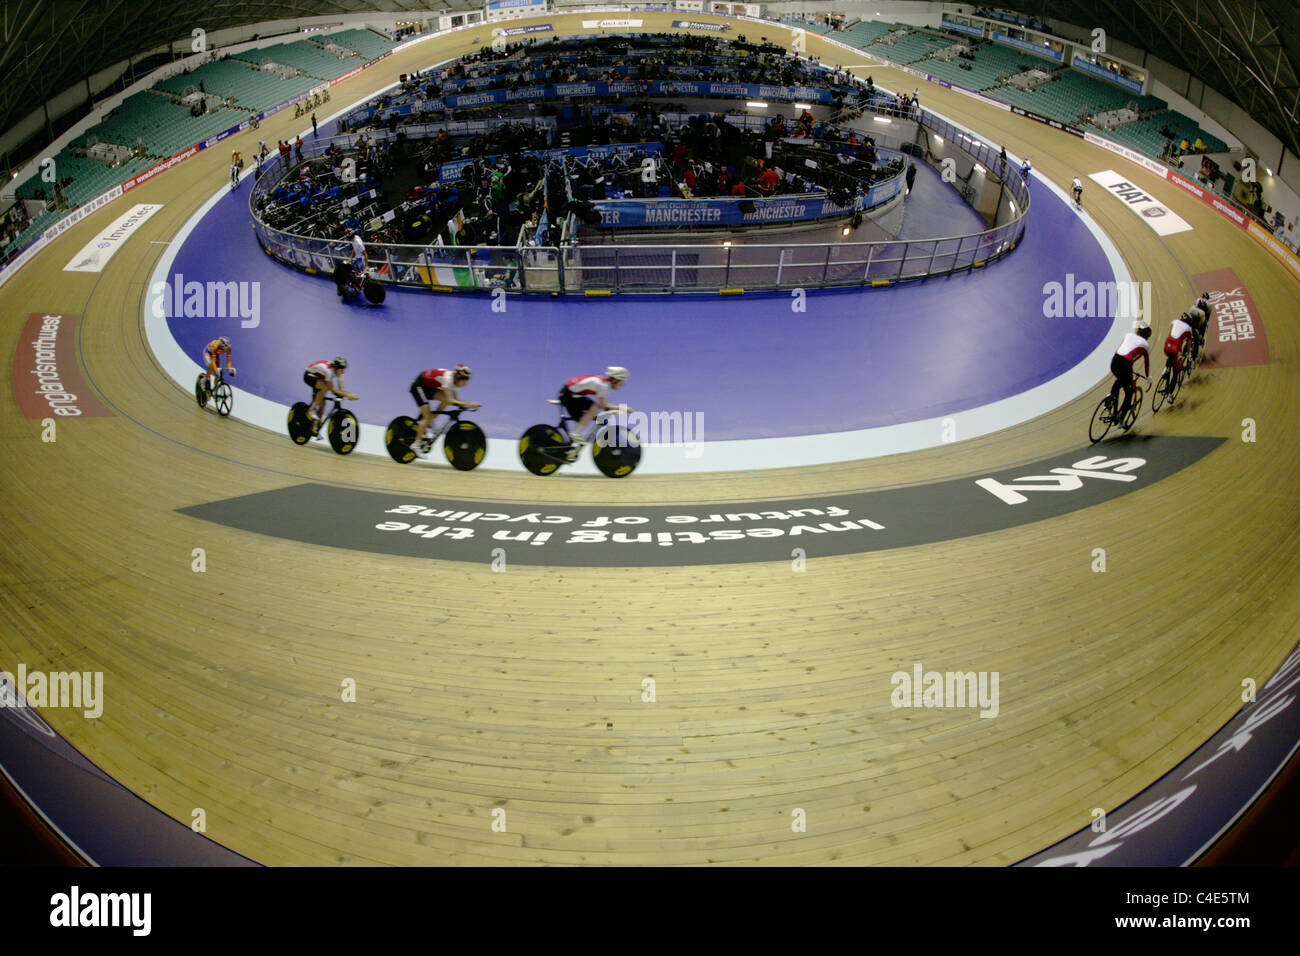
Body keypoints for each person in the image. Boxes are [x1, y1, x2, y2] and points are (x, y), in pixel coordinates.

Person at [558, 366, 629, 460]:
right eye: (622, 381)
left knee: (590, 413)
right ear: (615, 380)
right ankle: (575, 433)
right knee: (594, 408)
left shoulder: (603, 383)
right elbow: (604, 405)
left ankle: (571, 447)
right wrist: (623, 408)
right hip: (569, 395)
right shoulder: (604, 386)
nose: (622, 384)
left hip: (570, 394)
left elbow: (603, 406)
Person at [409, 365, 478, 457]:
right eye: (466, 381)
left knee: (445, 401)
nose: (466, 384)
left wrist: (465, 404)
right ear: (459, 378)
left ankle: (430, 418)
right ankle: (415, 445)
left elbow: (456, 400)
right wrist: (468, 403)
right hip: (419, 386)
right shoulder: (448, 379)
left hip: (428, 386)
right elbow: (451, 400)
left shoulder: (455, 383)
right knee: (428, 416)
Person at [1109, 324, 1151, 419]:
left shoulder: (1128, 335)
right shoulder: (1145, 344)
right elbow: (1146, 363)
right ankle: (1121, 419)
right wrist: (1147, 377)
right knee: (1129, 392)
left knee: (1120, 380)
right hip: (1125, 365)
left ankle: (1110, 402)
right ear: (1147, 336)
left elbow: (1124, 349)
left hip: (1114, 361)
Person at [303, 356, 353, 434]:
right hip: (309, 375)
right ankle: (311, 410)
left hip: (320, 377)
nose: (343, 372)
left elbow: (341, 387)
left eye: (344, 370)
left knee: (323, 404)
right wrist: (346, 395)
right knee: (324, 388)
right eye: (342, 370)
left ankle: (315, 426)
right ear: (336, 368)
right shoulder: (329, 371)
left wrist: (346, 393)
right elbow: (332, 390)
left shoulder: (339, 371)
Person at [1163, 312, 1195, 383]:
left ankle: (1165, 369)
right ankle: (1170, 394)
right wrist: (1189, 354)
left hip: (1166, 346)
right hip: (1176, 349)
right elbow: (1189, 342)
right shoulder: (1188, 328)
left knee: (1170, 356)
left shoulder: (1174, 321)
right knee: (1176, 372)